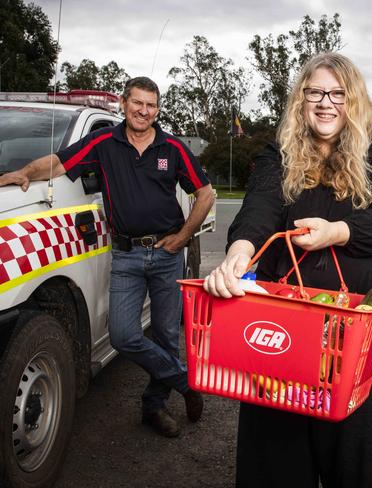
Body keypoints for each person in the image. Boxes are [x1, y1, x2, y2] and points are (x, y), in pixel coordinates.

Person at [203, 52, 372, 487]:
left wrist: (338, 231)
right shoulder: (278, 151)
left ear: (352, 99)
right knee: (276, 445)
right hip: (286, 321)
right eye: (315, 92)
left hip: (357, 325)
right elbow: (259, 208)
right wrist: (239, 252)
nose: (326, 103)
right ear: (301, 99)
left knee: (351, 448)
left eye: (337, 93)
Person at [0, 77, 215, 438]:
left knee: (164, 334)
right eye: (137, 103)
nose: (143, 111)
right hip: (127, 255)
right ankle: (186, 382)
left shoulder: (173, 148)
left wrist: (182, 237)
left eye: (150, 105)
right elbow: (59, 162)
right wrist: (24, 172)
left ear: (157, 109)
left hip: (166, 254)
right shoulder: (104, 142)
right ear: (123, 103)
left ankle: (154, 407)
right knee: (123, 335)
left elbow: (205, 194)